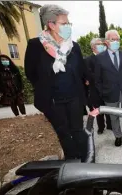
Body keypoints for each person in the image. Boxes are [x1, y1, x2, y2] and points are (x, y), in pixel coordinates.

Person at [24, 4, 91, 162]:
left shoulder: (74, 46)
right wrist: (46, 88)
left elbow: (81, 70)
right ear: (51, 24)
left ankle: (84, 162)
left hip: (74, 98)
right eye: (64, 23)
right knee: (63, 132)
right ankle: (71, 162)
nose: (68, 27)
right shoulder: (36, 45)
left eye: (69, 23)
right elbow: (30, 73)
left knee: (78, 130)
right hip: (53, 101)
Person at [94, 30, 122, 147]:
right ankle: (118, 136)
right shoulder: (99, 58)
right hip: (110, 93)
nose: (116, 42)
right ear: (107, 42)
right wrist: (103, 93)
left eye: (117, 40)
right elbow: (97, 80)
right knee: (114, 117)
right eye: (113, 40)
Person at [85, 37, 112, 134]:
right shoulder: (88, 60)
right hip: (95, 89)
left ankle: (110, 125)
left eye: (102, 44)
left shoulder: (106, 58)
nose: (101, 46)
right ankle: (101, 127)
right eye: (98, 44)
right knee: (98, 109)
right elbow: (89, 74)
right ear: (93, 47)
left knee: (108, 108)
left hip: (107, 88)